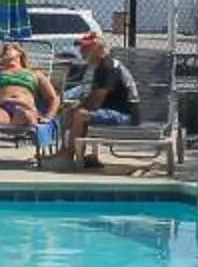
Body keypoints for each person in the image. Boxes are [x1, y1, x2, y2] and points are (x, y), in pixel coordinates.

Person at [57, 30, 139, 166]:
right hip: (110, 110)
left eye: (87, 47)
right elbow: (86, 94)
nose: (82, 50)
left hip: (125, 115)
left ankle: (68, 156)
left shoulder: (108, 67)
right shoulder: (95, 66)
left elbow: (96, 102)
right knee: (73, 112)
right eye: (82, 46)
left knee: (80, 115)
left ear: (99, 48)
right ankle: (71, 154)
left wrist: (75, 108)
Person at [0, 41, 60, 135]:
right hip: (1, 107)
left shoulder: (35, 74)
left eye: (8, 48)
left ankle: (13, 125)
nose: (5, 50)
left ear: (19, 53)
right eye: (3, 51)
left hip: (25, 107)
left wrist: (48, 117)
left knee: (25, 115)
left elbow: (53, 99)